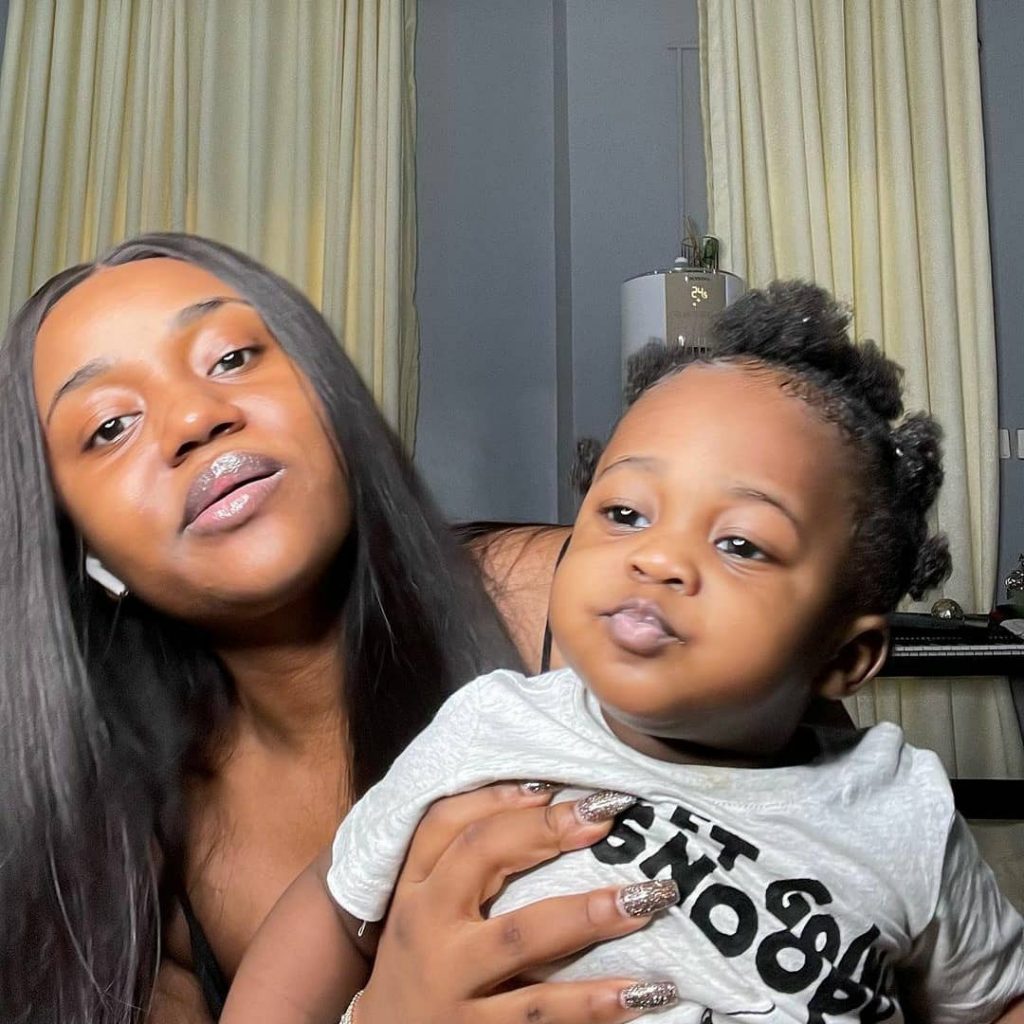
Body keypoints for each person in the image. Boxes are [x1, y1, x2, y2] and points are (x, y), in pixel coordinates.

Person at [221, 281, 1024, 1024]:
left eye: (741, 543)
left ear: (845, 659)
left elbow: (993, 1003)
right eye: (626, 514)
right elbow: (336, 908)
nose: (658, 557)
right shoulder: (490, 727)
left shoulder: (900, 810)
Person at [0, 233, 679, 1024]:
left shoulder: (596, 606)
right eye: (110, 425)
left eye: (232, 358)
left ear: (326, 389)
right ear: (78, 542)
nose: (194, 418)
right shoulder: (151, 862)